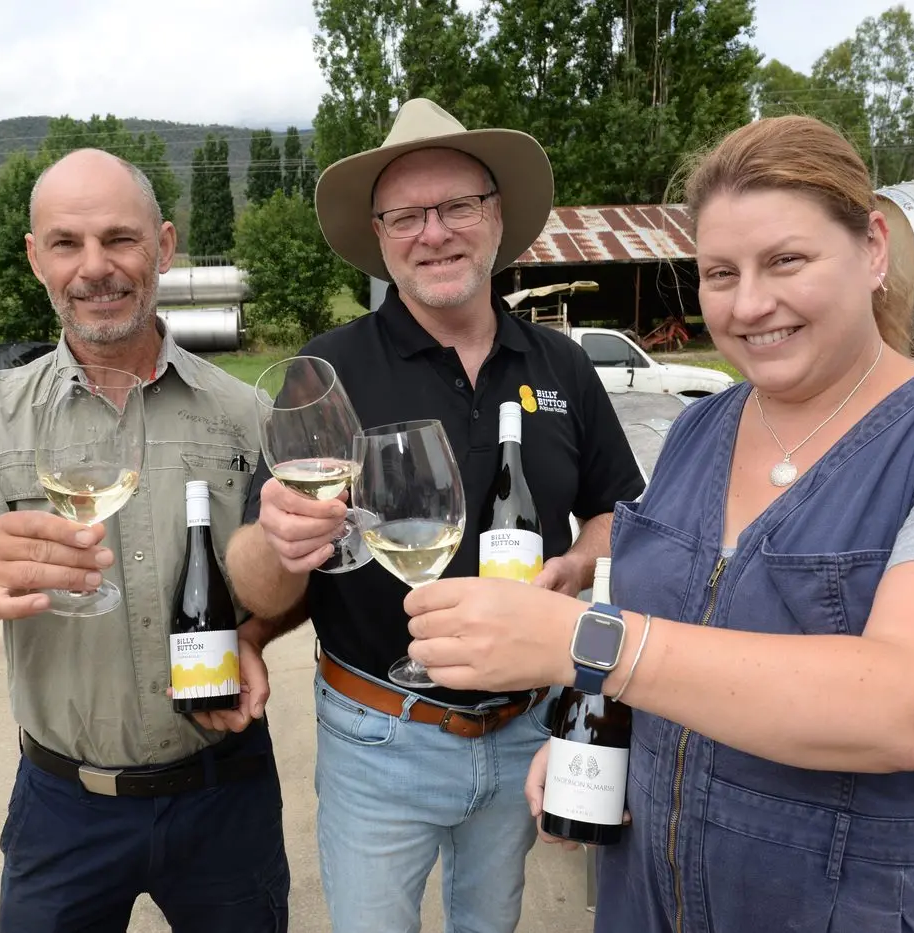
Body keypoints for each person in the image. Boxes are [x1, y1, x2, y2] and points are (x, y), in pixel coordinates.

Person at [400, 113, 914, 932]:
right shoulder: (697, 430)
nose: (751, 304)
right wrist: (594, 741)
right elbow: (676, 634)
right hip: (648, 902)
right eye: (720, 273)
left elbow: (909, 706)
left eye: (786, 260)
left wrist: (576, 640)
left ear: (873, 250)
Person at [224, 98, 646, 933]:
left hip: (525, 721)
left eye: (457, 206)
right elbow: (254, 581)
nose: (434, 232)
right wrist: (280, 537)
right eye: (407, 215)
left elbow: (615, 515)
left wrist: (578, 569)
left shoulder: (560, 361)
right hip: (380, 732)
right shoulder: (325, 371)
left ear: (496, 219)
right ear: (380, 236)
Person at [0, 148, 291, 933]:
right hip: (63, 808)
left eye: (120, 238)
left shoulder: (246, 413)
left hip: (225, 794)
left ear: (165, 247)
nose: (95, 268)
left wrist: (254, 631)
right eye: (66, 243)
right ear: (35, 258)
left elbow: (287, 576)